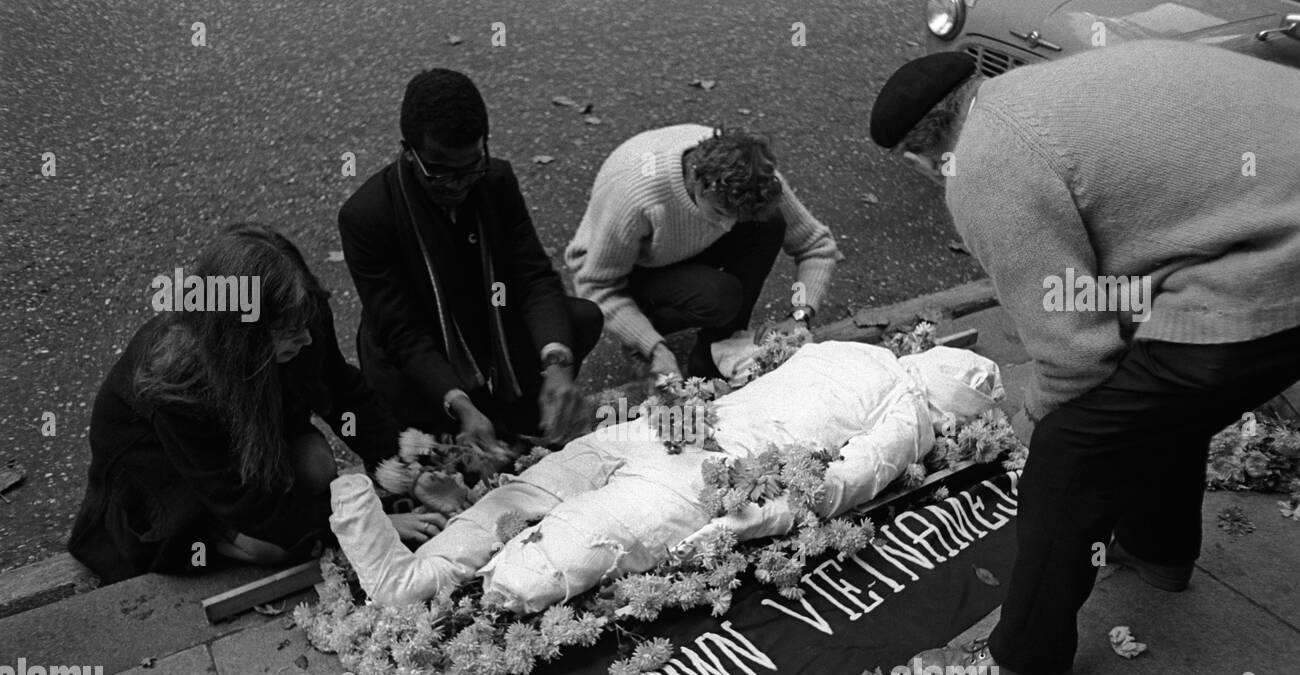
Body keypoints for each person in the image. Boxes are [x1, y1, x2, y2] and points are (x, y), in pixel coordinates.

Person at [869, 42, 1300, 675]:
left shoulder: (983, 165)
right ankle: (1158, 547)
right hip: (1265, 225)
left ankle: (1024, 662)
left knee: (1074, 450)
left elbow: (1076, 356)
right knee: (1155, 392)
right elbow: (1127, 279)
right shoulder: (1035, 92)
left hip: (1269, 277)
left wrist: (1034, 414)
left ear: (918, 156)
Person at [328, 342, 1003, 611]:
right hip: (704, 473)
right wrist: (748, 523)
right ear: (953, 409)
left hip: (676, 429)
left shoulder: (849, 349)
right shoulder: (908, 414)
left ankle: (381, 532)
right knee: (556, 550)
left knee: (532, 492)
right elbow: (840, 486)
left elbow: (757, 374)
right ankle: (409, 580)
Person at [68, 223, 445, 584]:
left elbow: (345, 392)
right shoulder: (177, 381)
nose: (306, 340)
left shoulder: (301, 312)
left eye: (304, 325)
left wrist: (402, 471)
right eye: (288, 332)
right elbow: (238, 499)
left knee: (316, 464)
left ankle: (302, 512)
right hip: (167, 471)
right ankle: (221, 536)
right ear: (239, 336)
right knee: (272, 548)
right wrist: (366, 528)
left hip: (242, 427)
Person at [339, 68, 602, 460]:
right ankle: (472, 415)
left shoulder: (496, 180)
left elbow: (533, 276)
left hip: (485, 324)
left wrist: (557, 364)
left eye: (471, 166)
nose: (460, 185)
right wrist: (460, 404)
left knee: (578, 320)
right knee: (436, 456)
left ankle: (516, 411)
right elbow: (403, 332)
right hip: (419, 354)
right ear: (408, 152)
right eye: (441, 173)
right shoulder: (367, 216)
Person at [565, 125, 840, 380]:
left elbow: (815, 246)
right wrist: (654, 347)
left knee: (769, 224)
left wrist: (799, 313)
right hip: (627, 266)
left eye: (737, 218)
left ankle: (717, 351)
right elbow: (596, 284)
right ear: (698, 180)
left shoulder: (757, 175)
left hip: (684, 244)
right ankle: (642, 336)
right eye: (721, 212)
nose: (729, 225)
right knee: (719, 296)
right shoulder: (638, 199)